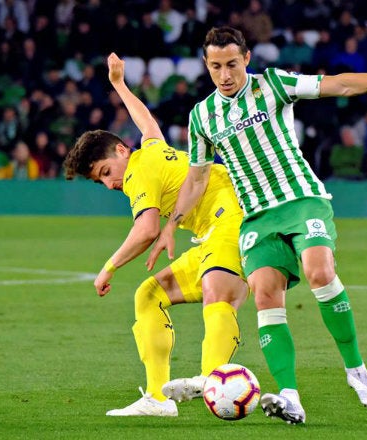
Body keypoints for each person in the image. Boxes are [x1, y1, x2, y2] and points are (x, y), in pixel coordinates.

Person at [149, 26, 367, 425]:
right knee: (265, 295)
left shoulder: (273, 84)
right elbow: (197, 178)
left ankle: (356, 370)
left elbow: (337, 85)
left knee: (319, 271)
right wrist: (172, 225)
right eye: (216, 66)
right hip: (256, 216)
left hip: (301, 199)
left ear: (247, 59)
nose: (225, 74)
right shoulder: (201, 116)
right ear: (206, 65)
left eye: (232, 64)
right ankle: (290, 396)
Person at [63, 53, 248, 417]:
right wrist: (118, 84)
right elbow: (146, 121)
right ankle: (158, 399)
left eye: (104, 172)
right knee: (150, 294)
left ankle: (213, 379)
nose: (109, 183)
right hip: (215, 231)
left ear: (120, 151)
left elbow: (147, 228)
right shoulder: (151, 150)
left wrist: (109, 267)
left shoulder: (136, 173)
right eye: (100, 180)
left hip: (232, 219)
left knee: (217, 293)